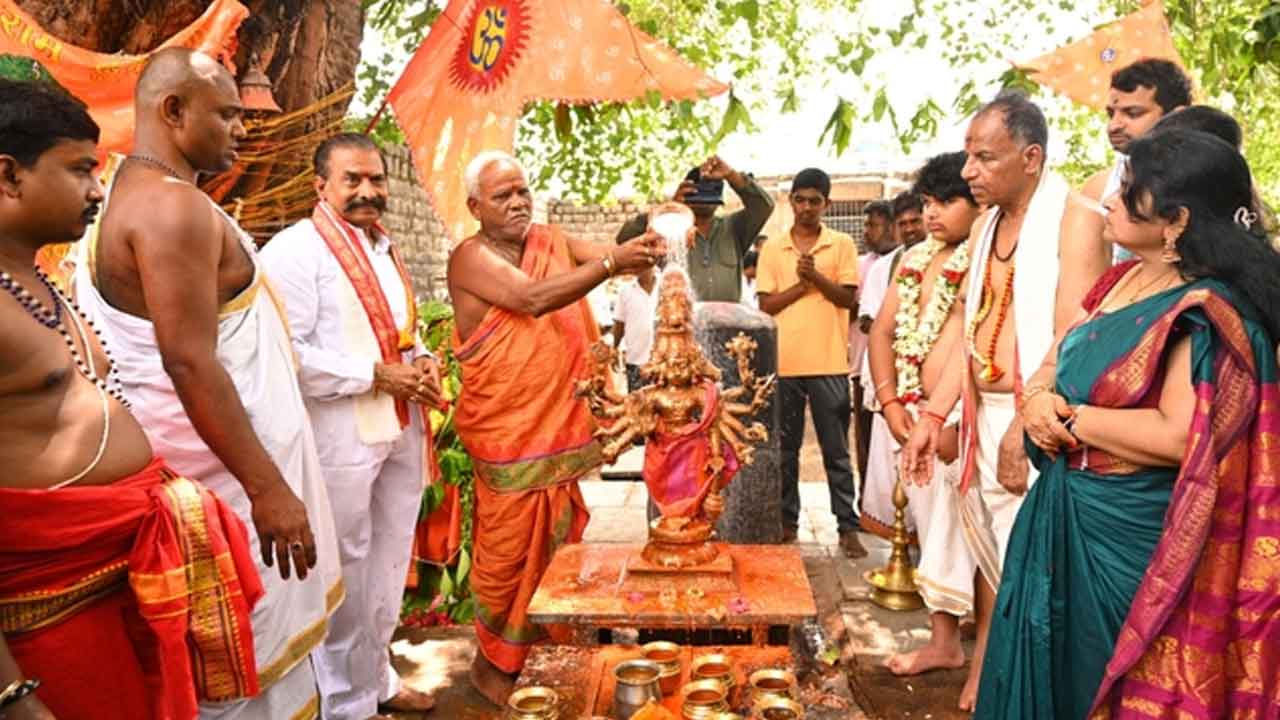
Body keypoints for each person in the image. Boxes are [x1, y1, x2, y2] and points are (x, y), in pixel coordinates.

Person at [74, 49, 342, 719]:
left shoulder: (126, 196)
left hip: (203, 471)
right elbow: (189, 361)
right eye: (226, 114)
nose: (242, 129)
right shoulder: (173, 209)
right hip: (229, 487)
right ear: (173, 111)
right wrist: (268, 488)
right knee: (246, 671)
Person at [977, 129, 1280, 719]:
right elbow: (1055, 359)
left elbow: (1178, 435)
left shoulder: (1204, 309)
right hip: (1064, 509)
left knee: (1106, 685)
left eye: (1129, 190)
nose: (1110, 201)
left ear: (1176, 220)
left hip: (1130, 538)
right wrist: (1035, 399)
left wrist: (1072, 418)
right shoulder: (1119, 282)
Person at [0, 78, 262, 720]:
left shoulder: (38, 279)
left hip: (124, 584)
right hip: (51, 614)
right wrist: (9, 694)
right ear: (8, 175)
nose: (98, 190)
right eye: (79, 169)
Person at [447, 150, 662, 705]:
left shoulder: (550, 240)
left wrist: (646, 244)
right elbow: (532, 298)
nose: (518, 202)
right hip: (506, 435)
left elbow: (608, 257)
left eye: (523, 191)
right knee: (507, 556)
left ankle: (545, 652)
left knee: (557, 547)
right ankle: (496, 666)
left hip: (554, 433)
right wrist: (613, 263)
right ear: (475, 207)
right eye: (502, 195)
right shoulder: (469, 258)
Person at [900, 91, 1072, 711]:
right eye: (968, 156)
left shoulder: (1071, 220)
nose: (969, 170)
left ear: (1031, 158)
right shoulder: (987, 228)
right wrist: (931, 416)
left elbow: (1073, 332)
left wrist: (1025, 424)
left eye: (984, 157)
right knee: (992, 558)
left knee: (1032, 573)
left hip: (1035, 421)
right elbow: (969, 334)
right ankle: (994, 676)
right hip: (983, 416)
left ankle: (1023, 692)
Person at [260, 133, 440, 718]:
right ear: (321, 186)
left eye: (376, 179)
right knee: (346, 565)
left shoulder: (382, 246)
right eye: (352, 179)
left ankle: (376, 677)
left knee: (389, 558)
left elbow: (401, 333)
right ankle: (344, 704)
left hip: (399, 424)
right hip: (339, 433)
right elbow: (288, 353)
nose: (368, 191)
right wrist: (375, 375)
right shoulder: (295, 251)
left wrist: (422, 360)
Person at [870, 153, 983, 676]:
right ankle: (945, 642)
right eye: (928, 202)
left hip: (963, 415)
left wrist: (948, 420)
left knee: (970, 531)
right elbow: (882, 330)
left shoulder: (987, 255)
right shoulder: (916, 257)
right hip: (914, 412)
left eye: (947, 201)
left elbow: (977, 343)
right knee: (934, 526)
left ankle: (980, 648)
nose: (932, 213)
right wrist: (891, 401)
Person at [756, 168, 864, 558]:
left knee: (836, 451)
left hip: (829, 362)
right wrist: (802, 286)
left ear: (826, 204)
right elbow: (766, 305)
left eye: (814, 201)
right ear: (791, 201)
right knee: (786, 451)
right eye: (800, 199)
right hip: (784, 364)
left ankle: (847, 526)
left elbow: (848, 300)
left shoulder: (842, 244)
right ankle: (787, 522)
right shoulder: (774, 247)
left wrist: (815, 276)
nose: (806, 207)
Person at [1064, 58, 1191, 275]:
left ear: (1176, 116)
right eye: (1111, 114)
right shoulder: (1097, 190)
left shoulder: (1206, 179)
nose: (1113, 126)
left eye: (1132, 113)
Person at [859, 193, 927, 541]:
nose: (910, 229)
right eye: (904, 224)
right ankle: (900, 541)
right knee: (889, 464)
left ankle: (924, 545)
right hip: (893, 380)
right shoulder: (885, 267)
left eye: (916, 221)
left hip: (933, 385)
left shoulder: (956, 258)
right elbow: (870, 322)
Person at [616, 156, 774, 302]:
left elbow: (763, 207)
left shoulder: (734, 228)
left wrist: (732, 176)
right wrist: (667, 210)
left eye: (711, 193)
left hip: (727, 319)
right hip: (680, 318)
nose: (704, 200)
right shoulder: (669, 232)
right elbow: (624, 239)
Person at [851, 200, 896, 484]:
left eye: (873, 225)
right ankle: (868, 497)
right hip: (863, 364)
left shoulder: (908, 260)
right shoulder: (861, 266)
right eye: (865, 225)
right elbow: (861, 317)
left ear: (891, 227)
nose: (867, 232)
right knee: (866, 436)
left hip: (906, 367)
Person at [613, 262, 659, 392]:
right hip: (636, 363)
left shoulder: (666, 286)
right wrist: (612, 350)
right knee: (636, 403)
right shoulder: (625, 292)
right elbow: (619, 326)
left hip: (663, 364)